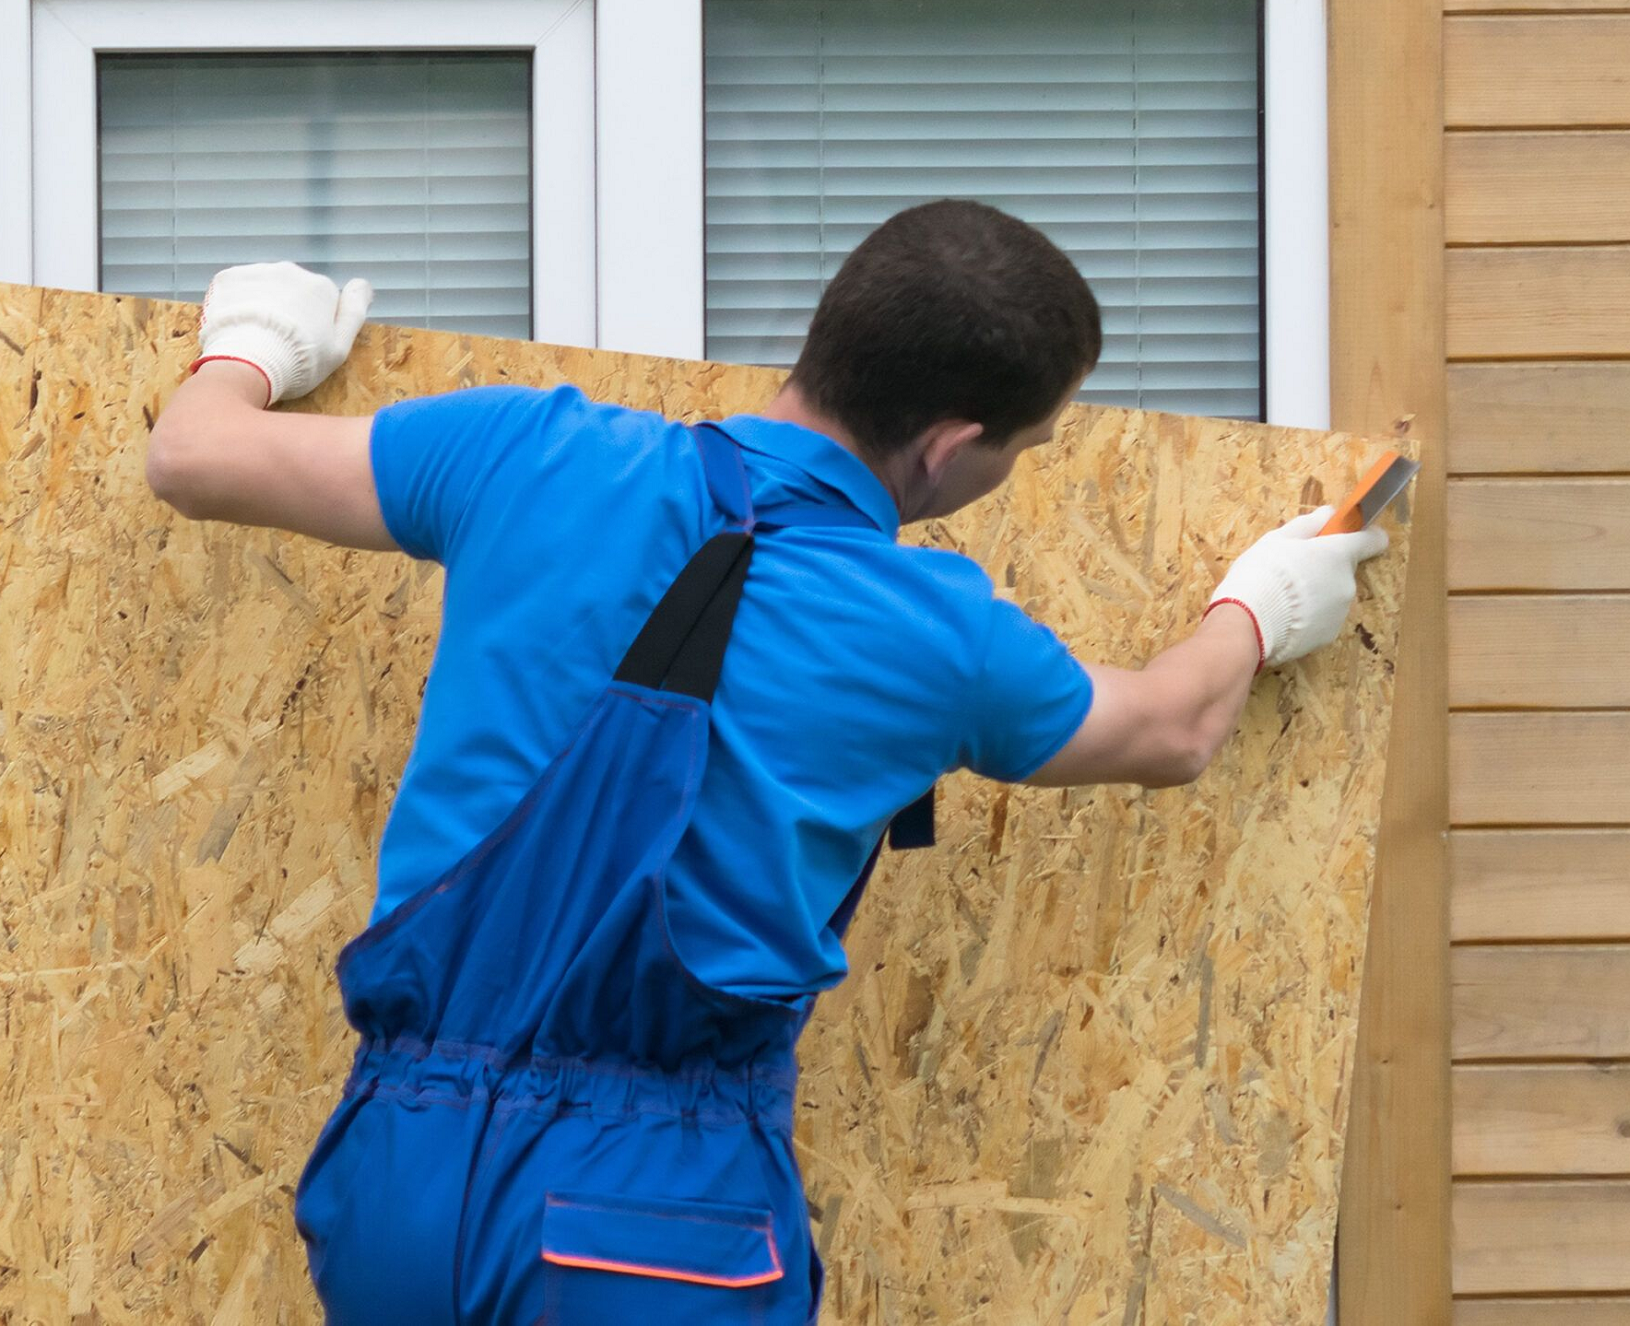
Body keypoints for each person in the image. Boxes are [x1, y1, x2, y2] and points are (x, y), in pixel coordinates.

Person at [144, 199, 1386, 1326]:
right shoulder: (937, 631)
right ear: (951, 448)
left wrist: (254, 342)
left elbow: (193, 457)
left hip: (397, 1187)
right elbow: (1166, 727)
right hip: (653, 1215)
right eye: (1026, 446)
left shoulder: (524, 453)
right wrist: (1260, 604)